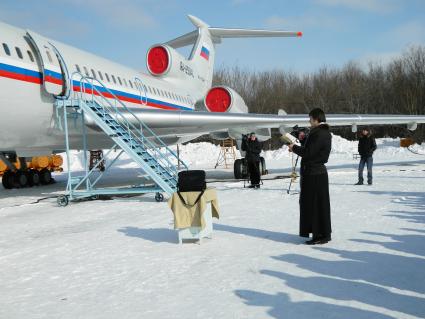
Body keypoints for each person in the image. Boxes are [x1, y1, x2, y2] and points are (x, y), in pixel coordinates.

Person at [288, 108, 332, 245]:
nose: (309, 121)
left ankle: (319, 235)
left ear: (315, 119)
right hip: (317, 173)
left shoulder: (319, 133)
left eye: (310, 118)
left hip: (314, 174)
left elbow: (309, 153)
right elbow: (313, 149)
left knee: (314, 205)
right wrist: (303, 140)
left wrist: (293, 147)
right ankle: (322, 233)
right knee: (319, 204)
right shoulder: (321, 132)